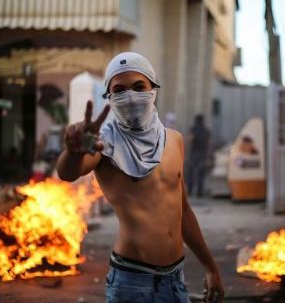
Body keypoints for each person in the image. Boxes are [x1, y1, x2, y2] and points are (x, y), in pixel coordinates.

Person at [57, 52, 224, 303]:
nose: (131, 97)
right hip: (131, 281)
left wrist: (211, 268)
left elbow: (184, 212)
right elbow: (68, 172)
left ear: (153, 89)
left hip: (175, 279)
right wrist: (73, 150)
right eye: (120, 90)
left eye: (138, 87)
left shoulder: (174, 140)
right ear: (110, 97)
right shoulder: (104, 145)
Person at [187, 115, 211, 198]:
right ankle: (199, 193)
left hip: (194, 154)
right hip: (203, 154)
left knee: (191, 173)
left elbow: (190, 140)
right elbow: (208, 143)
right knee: (201, 174)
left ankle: (189, 192)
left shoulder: (193, 129)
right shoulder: (206, 131)